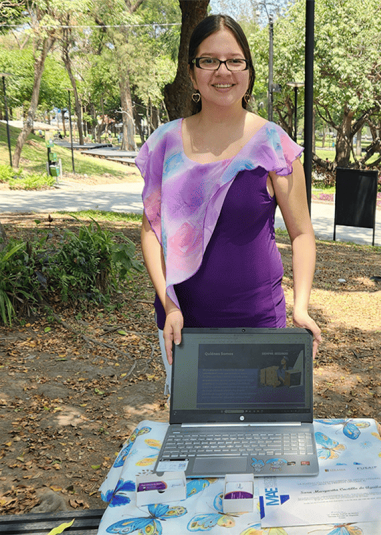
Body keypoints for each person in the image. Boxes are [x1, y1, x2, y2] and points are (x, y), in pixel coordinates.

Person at [136, 14, 321, 394]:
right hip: (183, 324)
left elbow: (302, 234)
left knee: (262, 437)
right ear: (192, 73)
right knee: (194, 434)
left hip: (258, 324)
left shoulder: (273, 144)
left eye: (235, 60)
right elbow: (151, 230)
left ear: (249, 71)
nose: (223, 71)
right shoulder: (166, 143)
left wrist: (300, 306)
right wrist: (169, 305)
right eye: (209, 60)